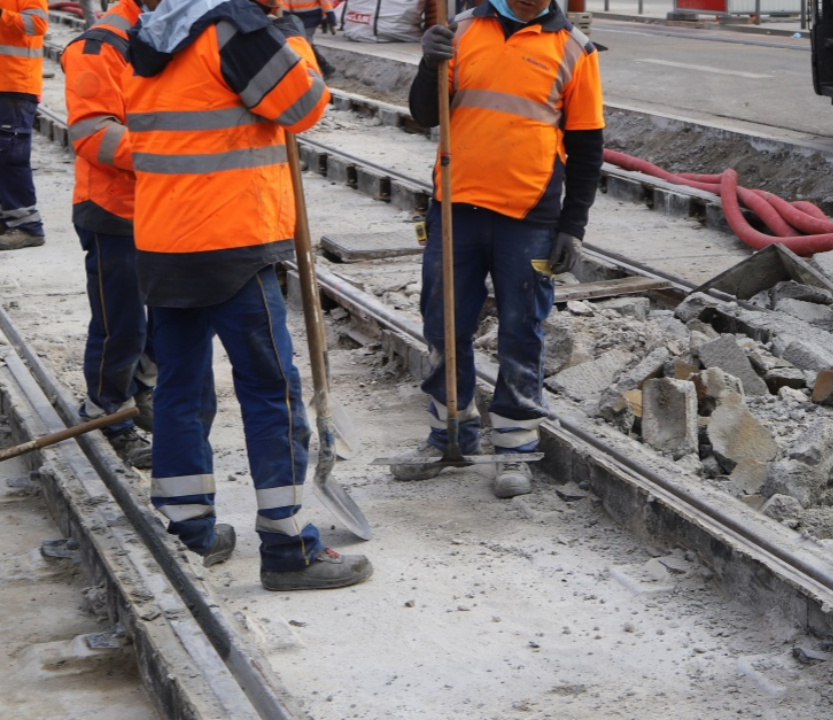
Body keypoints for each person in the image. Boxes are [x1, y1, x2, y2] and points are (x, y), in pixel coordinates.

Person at [125, 0, 373, 589]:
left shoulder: (156, 31)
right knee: (271, 392)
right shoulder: (234, 28)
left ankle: (189, 530)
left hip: (163, 243)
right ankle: (288, 548)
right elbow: (304, 104)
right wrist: (290, 36)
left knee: (180, 390)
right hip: (231, 243)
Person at [391, 0, 604, 498]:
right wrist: (429, 63)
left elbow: (588, 144)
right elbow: (425, 113)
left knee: (520, 329)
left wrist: (573, 225)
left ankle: (515, 445)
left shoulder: (574, 48)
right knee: (444, 323)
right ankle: (449, 434)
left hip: (530, 214)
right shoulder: (460, 30)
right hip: (455, 207)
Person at [61, 0, 156, 472]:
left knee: (165, 317)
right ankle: (108, 411)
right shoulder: (98, 48)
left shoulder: (175, 37)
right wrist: (169, 154)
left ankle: (142, 392)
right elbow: (94, 134)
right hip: (112, 209)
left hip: (164, 207)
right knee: (121, 323)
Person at [0, 0, 47, 251]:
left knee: (10, 156)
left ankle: (28, 226)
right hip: (4, 84)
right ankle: (7, 220)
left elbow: (36, 23)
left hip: (16, 83)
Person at [279, 0, 336, 77]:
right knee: (306, 43)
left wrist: (331, 20)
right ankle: (323, 67)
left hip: (312, 17)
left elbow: (325, 3)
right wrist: (285, 20)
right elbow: (286, 6)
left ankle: (321, 67)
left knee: (305, 43)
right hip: (297, 19)